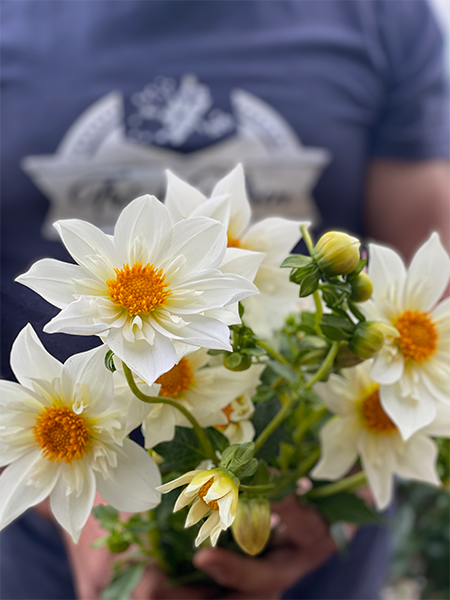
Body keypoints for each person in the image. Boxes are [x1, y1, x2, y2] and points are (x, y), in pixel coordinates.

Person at [1, 0, 450, 598]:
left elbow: (428, 272)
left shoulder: (383, 18)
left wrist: (336, 499)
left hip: (312, 545)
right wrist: (91, 527)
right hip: (57, 534)